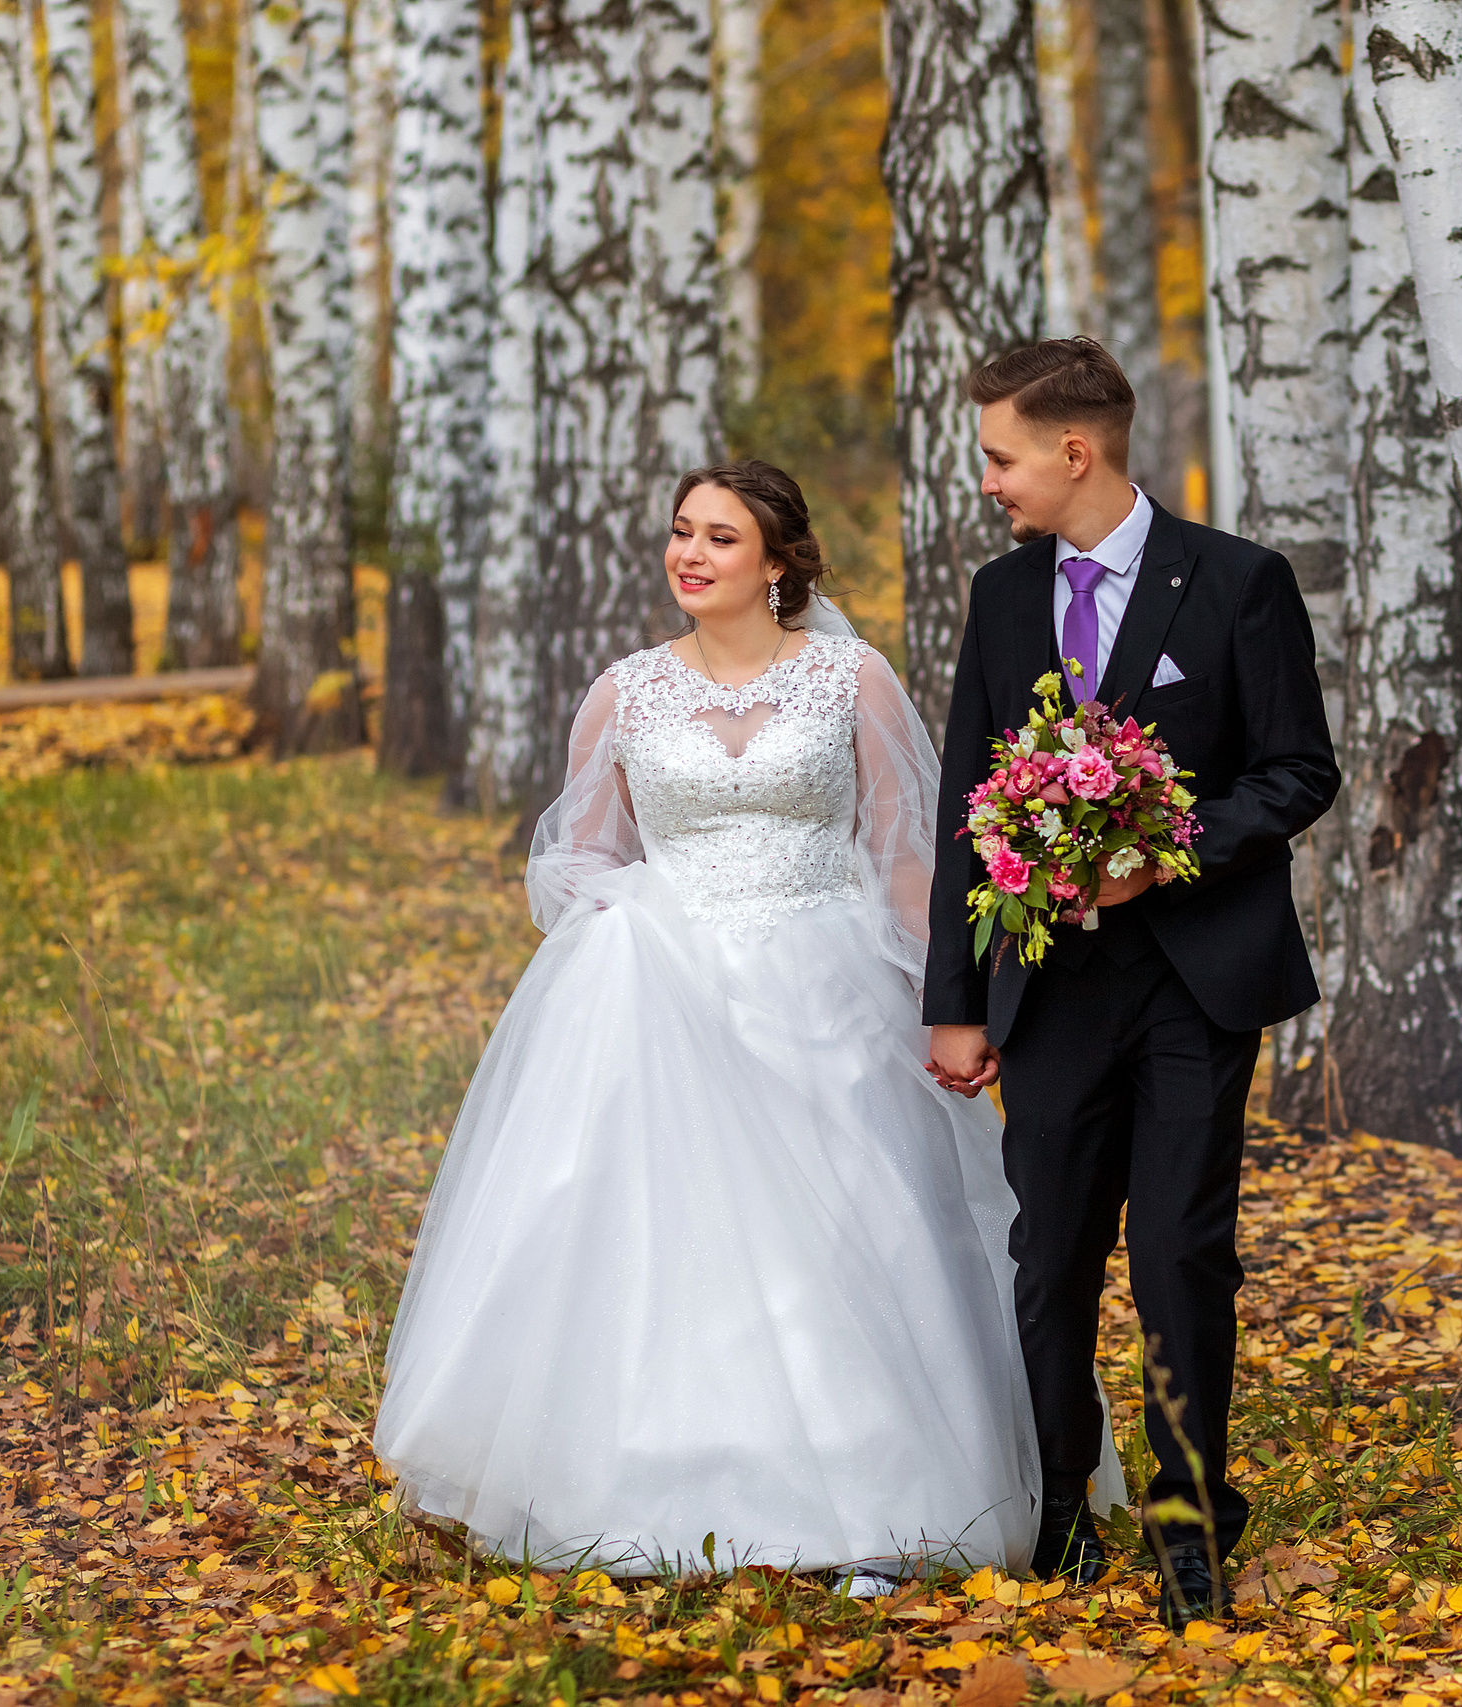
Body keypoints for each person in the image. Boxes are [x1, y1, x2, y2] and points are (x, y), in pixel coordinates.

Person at [374, 461, 1119, 1588]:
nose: (691, 554)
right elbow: (575, 852)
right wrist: (625, 909)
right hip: (661, 990)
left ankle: (883, 1509)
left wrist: (947, 1003)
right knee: (672, 1240)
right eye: (681, 532)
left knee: (854, 1234)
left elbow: (906, 855)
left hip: (830, 981)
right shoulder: (623, 692)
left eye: (720, 538)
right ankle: (649, 1487)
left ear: (776, 563)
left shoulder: (850, 679)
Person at [922, 339, 1340, 1630]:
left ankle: (1190, 1518)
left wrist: (1161, 854)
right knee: (1050, 1257)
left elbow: (1297, 771)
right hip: (1048, 984)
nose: (989, 479)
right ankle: (1057, 1502)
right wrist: (954, 997)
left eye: (1000, 455)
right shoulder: (1001, 597)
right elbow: (964, 800)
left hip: (1194, 979)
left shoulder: (1237, 582)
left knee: (1176, 1253)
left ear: (1074, 451)